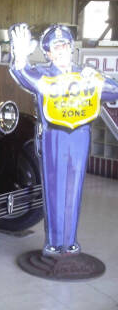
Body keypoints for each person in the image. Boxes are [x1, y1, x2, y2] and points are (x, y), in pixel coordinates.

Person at [9, 23, 118, 256]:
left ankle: (69, 241)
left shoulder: (85, 74)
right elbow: (24, 75)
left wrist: (98, 78)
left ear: (71, 49)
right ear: (47, 53)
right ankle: (55, 241)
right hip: (54, 135)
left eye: (64, 47)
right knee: (55, 188)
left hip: (80, 134)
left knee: (74, 188)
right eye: (55, 49)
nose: (61, 53)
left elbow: (113, 90)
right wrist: (19, 57)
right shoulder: (44, 75)